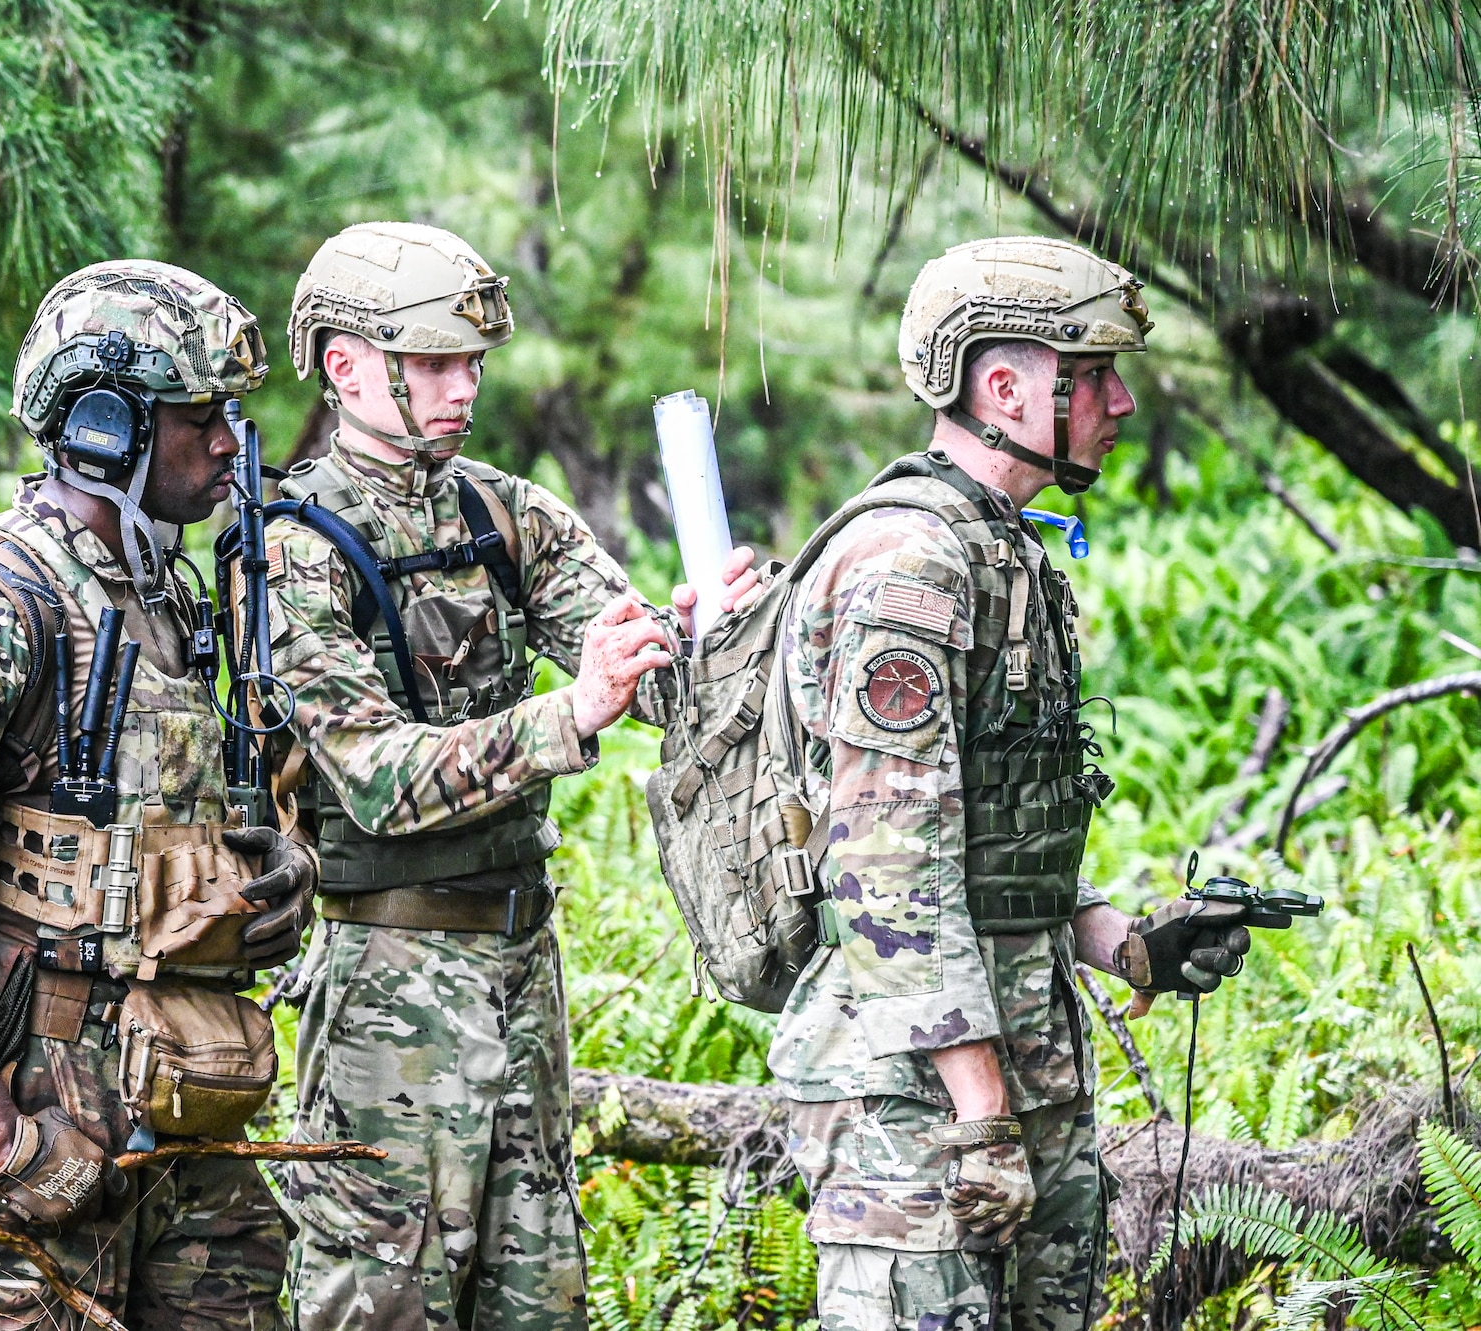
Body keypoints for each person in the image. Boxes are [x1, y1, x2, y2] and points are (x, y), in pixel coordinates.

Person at [708, 236, 1251, 1330]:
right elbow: (886, 867)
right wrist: (980, 1111)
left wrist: (1122, 942)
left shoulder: (1003, 550)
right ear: (1004, 389)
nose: (1121, 402)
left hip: (1012, 1074)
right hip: (914, 1112)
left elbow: (978, 833)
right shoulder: (909, 564)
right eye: (1093, 375)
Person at [0, 260, 316, 1330]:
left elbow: (171, 817)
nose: (228, 442)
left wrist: (271, 870)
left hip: (185, 1102)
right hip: (33, 1113)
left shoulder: (168, 598)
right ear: (102, 428)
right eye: (198, 416)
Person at [261, 221, 673, 1328]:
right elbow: (375, 777)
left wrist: (702, 633)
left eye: (473, 362)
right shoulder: (292, 547)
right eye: (436, 362)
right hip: (389, 987)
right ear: (347, 367)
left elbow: (635, 656)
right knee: (384, 1293)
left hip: (521, 967)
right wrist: (569, 713)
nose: (465, 386)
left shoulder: (505, 512)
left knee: (536, 1294)